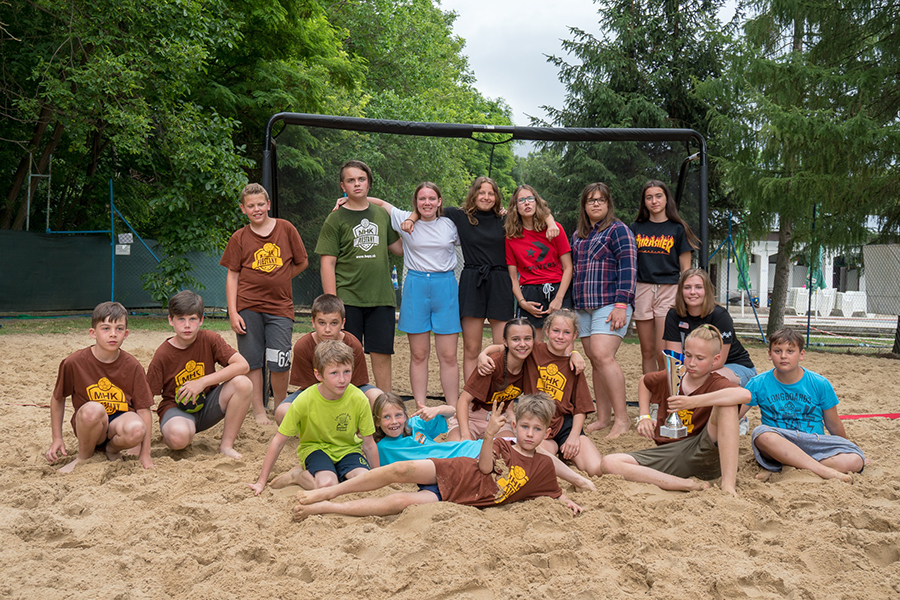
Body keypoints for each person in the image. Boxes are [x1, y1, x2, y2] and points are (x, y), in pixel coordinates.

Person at [291, 394, 585, 521]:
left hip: (459, 497)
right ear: (515, 426)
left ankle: (329, 507)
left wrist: (566, 501)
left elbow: (551, 492)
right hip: (455, 470)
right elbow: (484, 467)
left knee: (399, 503)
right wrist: (489, 435)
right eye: (524, 427)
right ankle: (331, 491)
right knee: (400, 470)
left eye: (536, 429)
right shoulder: (504, 446)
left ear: (547, 432)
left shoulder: (545, 464)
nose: (529, 434)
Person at [403, 177, 558, 381]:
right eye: (481, 192)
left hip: (500, 281)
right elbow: (428, 207)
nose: (486, 197)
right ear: (474, 194)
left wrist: (551, 221)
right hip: (472, 281)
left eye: (491, 193)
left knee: (503, 346)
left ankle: (501, 397)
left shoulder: (507, 219)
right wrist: (411, 219)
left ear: (497, 197)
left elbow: (537, 210)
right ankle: (472, 397)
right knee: (472, 347)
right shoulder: (459, 216)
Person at [601, 325, 749, 496]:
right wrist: (644, 416)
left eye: (700, 358)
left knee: (727, 403)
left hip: (704, 449)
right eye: (687, 355)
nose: (692, 363)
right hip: (670, 451)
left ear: (715, 360)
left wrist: (693, 401)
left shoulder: (716, 382)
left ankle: (728, 486)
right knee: (609, 463)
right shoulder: (674, 375)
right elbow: (644, 381)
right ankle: (685, 484)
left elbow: (744, 395)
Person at [361, 183, 461, 409]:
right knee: (418, 354)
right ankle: (421, 406)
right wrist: (346, 199)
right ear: (415, 202)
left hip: (445, 286)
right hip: (416, 285)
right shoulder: (403, 218)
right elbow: (380, 203)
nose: (427, 203)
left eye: (432, 198)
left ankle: (452, 408)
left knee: (448, 355)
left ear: (439, 201)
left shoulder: (450, 224)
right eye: (422, 199)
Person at [373, 392, 597, 490]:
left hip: (467, 449)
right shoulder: (382, 447)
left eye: (398, 415)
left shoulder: (415, 426)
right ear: (377, 422)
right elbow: (381, 470)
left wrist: (436, 408)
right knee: (524, 458)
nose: (394, 422)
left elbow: (450, 412)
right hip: (457, 463)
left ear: (405, 414)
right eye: (387, 417)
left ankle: (576, 479)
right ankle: (572, 480)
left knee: (530, 454)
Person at [220, 182, 308, 425]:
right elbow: (233, 275)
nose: (256, 209)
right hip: (247, 306)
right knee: (252, 360)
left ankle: (281, 406)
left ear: (268, 204)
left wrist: (279, 277)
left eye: (260, 204)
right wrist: (233, 311)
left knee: (279, 359)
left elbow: (302, 262)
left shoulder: (286, 229)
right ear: (243, 209)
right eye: (251, 206)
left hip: (280, 307)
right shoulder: (239, 238)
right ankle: (259, 409)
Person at [476, 309, 601, 477]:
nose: (560, 336)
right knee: (536, 461)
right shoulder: (532, 350)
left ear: (574, 336)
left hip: (565, 425)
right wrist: (483, 354)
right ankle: (561, 460)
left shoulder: (575, 365)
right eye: (556, 331)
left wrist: (573, 437)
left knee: (594, 469)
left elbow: (581, 408)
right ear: (547, 331)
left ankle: (566, 451)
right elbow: (502, 347)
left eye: (566, 332)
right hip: (537, 423)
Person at [248, 341, 380, 495]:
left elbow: (369, 444)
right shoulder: (304, 400)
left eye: (347, 371)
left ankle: (337, 475)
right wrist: (261, 482)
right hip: (316, 449)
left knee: (364, 481)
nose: (342, 379)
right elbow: (278, 441)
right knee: (327, 484)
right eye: (334, 373)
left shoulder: (359, 398)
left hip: (348, 449)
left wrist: (377, 478)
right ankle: (297, 476)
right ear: (319, 375)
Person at [316, 160, 403, 392]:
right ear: (342, 185)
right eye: (351, 180)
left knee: (382, 354)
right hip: (348, 300)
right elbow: (328, 262)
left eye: (361, 179)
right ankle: (348, 404)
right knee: (344, 357)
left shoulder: (382, 215)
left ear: (369, 182)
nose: (357, 184)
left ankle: (384, 405)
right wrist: (332, 304)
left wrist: (419, 223)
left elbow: (400, 248)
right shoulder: (335, 219)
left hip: (381, 298)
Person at [44, 301, 154, 473]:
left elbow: (144, 410)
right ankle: (84, 457)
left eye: (119, 329)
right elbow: (58, 398)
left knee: (137, 427)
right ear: (93, 333)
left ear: (126, 334)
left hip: (118, 424)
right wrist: (57, 438)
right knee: (93, 410)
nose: (113, 334)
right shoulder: (74, 362)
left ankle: (112, 450)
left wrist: (145, 454)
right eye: (105, 328)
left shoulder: (132, 365)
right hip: (89, 423)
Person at [744, 328, 865, 483]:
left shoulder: (819, 383)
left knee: (855, 460)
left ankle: (783, 468)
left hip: (814, 442)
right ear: (769, 354)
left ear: (801, 354)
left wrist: (846, 447)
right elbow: (735, 416)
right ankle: (824, 471)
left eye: (790, 351)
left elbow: (833, 424)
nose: (783, 356)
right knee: (761, 434)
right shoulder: (758, 383)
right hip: (778, 442)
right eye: (777, 351)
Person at [147, 291, 253, 458]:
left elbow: (243, 365)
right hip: (176, 408)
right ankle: (182, 429)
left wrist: (202, 382)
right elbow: (146, 395)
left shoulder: (210, 339)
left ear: (201, 320)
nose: (187, 325)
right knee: (178, 439)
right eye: (181, 319)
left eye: (192, 319)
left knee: (243, 383)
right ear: (170, 320)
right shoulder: (163, 353)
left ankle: (226, 445)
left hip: (207, 404)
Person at [570, 182, 637, 439]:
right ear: (584, 206)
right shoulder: (578, 235)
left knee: (603, 356)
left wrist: (622, 304)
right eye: (590, 200)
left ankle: (622, 419)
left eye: (600, 200)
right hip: (583, 306)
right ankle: (603, 416)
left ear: (608, 204)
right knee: (595, 361)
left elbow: (629, 268)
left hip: (610, 303)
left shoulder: (618, 230)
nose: (596, 204)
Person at [274, 294, 382, 425]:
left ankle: (358, 430)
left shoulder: (353, 344)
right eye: (322, 323)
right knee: (282, 412)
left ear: (343, 323)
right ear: (313, 322)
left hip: (348, 391)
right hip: (315, 393)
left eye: (334, 323)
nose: (327, 329)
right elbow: (309, 390)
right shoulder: (303, 346)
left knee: (377, 397)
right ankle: (315, 433)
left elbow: (356, 385)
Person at [630, 180, 698, 374]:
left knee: (663, 352)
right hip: (642, 288)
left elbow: (685, 269)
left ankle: (665, 398)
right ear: (644, 202)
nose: (654, 201)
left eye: (658, 196)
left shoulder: (678, 228)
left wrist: (685, 296)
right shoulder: (635, 227)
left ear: (666, 199)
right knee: (647, 351)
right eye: (649, 197)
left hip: (668, 289)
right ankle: (651, 400)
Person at [663, 268, 756, 387]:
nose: (692, 292)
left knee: (709, 380)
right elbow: (674, 358)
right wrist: (683, 372)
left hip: (734, 366)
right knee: (667, 377)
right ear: (680, 291)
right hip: (694, 367)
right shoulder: (673, 315)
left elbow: (719, 361)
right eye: (687, 287)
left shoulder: (720, 315)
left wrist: (689, 373)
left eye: (698, 287)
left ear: (707, 290)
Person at [505, 184, 574, 343]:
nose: (527, 203)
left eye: (530, 198)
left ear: (537, 202)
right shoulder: (511, 237)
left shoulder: (554, 229)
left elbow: (568, 267)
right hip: (530, 294)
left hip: (558, 289)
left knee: (562, 344)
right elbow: (513, 277)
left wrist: (559, 298)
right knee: (534, 347)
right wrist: (522, 303)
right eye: (521, 200)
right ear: (515, 206)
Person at [448, 318, 535, 441]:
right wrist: (465, 435)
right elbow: (463, 401)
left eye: (527, 338)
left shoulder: (532, 360)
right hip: (472, 417)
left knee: (506, 453)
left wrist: (573, 353)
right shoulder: (490, 364)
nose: (522, 344)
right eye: (515, 339)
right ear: (505, 342)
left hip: (499, 419)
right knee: (459, 451)